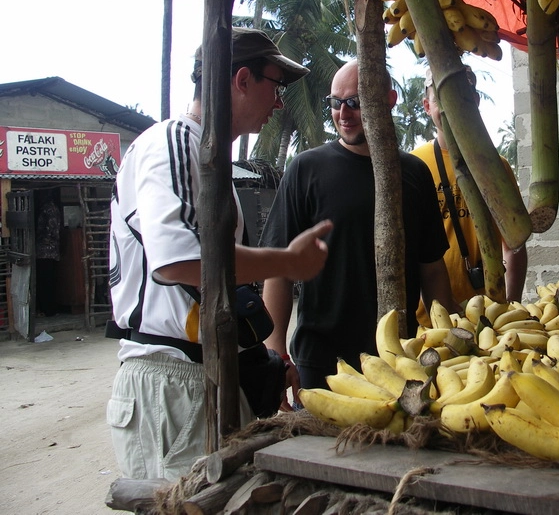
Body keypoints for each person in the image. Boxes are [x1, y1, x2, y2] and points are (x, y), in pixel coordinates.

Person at [106, 28, 333, 481]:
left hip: (200, 373)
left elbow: (212, 282)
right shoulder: (172, 143)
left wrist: (258, 355)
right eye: (276, 85)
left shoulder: (205, 157)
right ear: (242, 80)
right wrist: (286, 261)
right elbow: (178, 261)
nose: (279, 102)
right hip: (174, 378)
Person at [260, 59, 460, 397]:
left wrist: (453, 339)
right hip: (322, 362)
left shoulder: (413, 172)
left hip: (399, 360)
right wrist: (275, 353)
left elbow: (432, 270)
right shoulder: (305, 170)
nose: (343, 113)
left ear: (390, 100)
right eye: (335, 103)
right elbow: (278, 270)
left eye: (355, 101)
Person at [412, 66, 528, 305]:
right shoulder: (414, 166)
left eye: (461, 95)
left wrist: (511, 303)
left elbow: (514, 245)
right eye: (441, 98)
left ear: (475, 100)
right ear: (427, 106)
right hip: (430, 318)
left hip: (490, 310)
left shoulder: (497, 167)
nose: (451, 105)